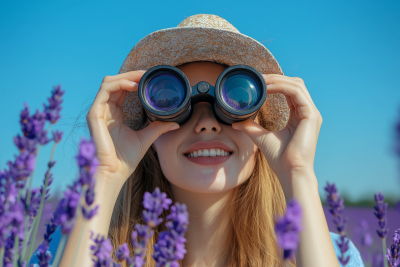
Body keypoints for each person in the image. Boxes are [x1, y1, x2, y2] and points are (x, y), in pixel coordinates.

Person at [31, 14, 365, 267]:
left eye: (233, 101)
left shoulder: (329, 253)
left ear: (261, 128)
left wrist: (298, 174)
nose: (206, 123)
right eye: (172, 102)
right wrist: (105, 174)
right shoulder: (76, 247)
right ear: (149, 134)